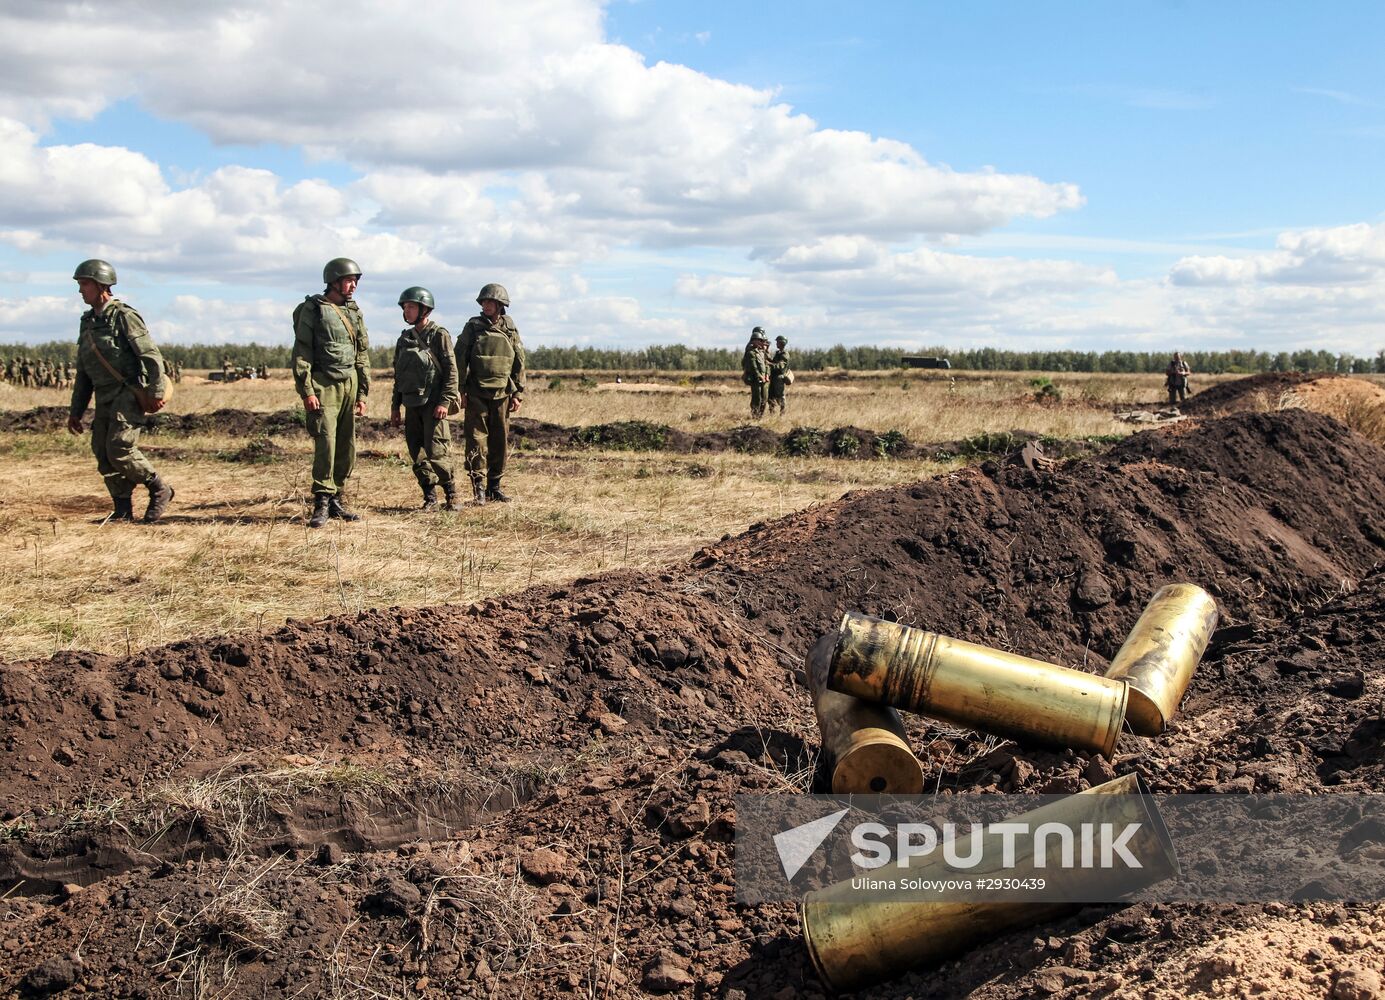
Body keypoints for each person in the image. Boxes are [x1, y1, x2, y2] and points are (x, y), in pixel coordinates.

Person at [66, 259, 174, 523]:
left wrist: (156, 391)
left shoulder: (123, 316)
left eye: (85, 284)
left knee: (119, 448)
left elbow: (150, 355)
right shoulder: (88, 323)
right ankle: (122, 508)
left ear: (102, 286)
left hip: (128, 392)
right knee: (103, 453)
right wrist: (76, 412)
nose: (80, 290)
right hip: (104, 396)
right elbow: (84, 373)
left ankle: (159, 489)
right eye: (80, 285)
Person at [292, 257, 371, 528]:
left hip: (349, 383)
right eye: (349, 280)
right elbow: (302, 352)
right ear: (334, 282)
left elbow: (361, 354)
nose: (353, 286)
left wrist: (362, 393)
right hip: (324, 385)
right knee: (326, 442)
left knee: (346, 445)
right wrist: (307, 391)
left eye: (356, 281)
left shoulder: (354, 312)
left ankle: (337, 497)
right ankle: (322, 502)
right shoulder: (313, 310)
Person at [391, 286, 461, 511]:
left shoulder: (439, 335)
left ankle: (452, 495)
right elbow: (399, 375)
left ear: (424, 309)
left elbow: (452, 371)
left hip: (433, 404)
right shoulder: (404, 339)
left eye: (411, 306)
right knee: (418, 453)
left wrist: (444, 401)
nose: (407, 310)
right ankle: (429, 496)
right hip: (411, 404)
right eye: (405, 307)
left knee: (437, 451)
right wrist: (395, 406)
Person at [455, 282, 525, 504]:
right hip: (476, 393)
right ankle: (479, 490)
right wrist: (461, 389)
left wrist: (518, 393)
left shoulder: (510, 329)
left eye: (490, 302)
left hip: (502, 394)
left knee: (499, 441)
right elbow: (459, 359)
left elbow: (519, 362)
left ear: (500, 305)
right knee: (476, 442)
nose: (486, 305)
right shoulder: (473, 327)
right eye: (484, 301)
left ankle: (495, 487)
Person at [741, 327, 770, 419]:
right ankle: (755, 416)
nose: (762, 342)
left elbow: (766, 364)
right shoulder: (751, 351)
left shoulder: (761, 352)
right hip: (755, 378)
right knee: (756, 399)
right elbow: (753, 366)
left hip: (763, 378)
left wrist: (766, 375)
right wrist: (759, 375)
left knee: (764, 399)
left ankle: (760, 416)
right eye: (760, 340)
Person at [768, 334, 791, 414]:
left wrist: (769, 364)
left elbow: (780, 366)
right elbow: (774, 362)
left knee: (780, 396)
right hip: (774, 377)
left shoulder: (784, 354)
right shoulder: (778, 353)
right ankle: (772, 412)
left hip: (779, 378)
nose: (776, 343)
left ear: (782, 343)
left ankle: (782, 412)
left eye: (777, 342)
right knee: (771, 396)